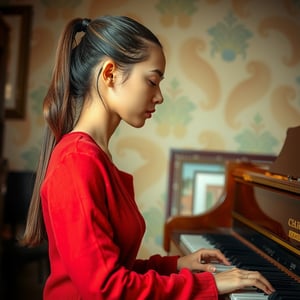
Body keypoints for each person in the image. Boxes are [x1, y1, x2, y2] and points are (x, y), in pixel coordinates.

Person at [22, 15, 275, 299]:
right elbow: (105, 289)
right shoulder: (78, 161)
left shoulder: (93, 156)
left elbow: (113, 268)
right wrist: (210, 285)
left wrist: (176, 265)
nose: (160, 96)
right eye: (152, 81)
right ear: (109, 74)